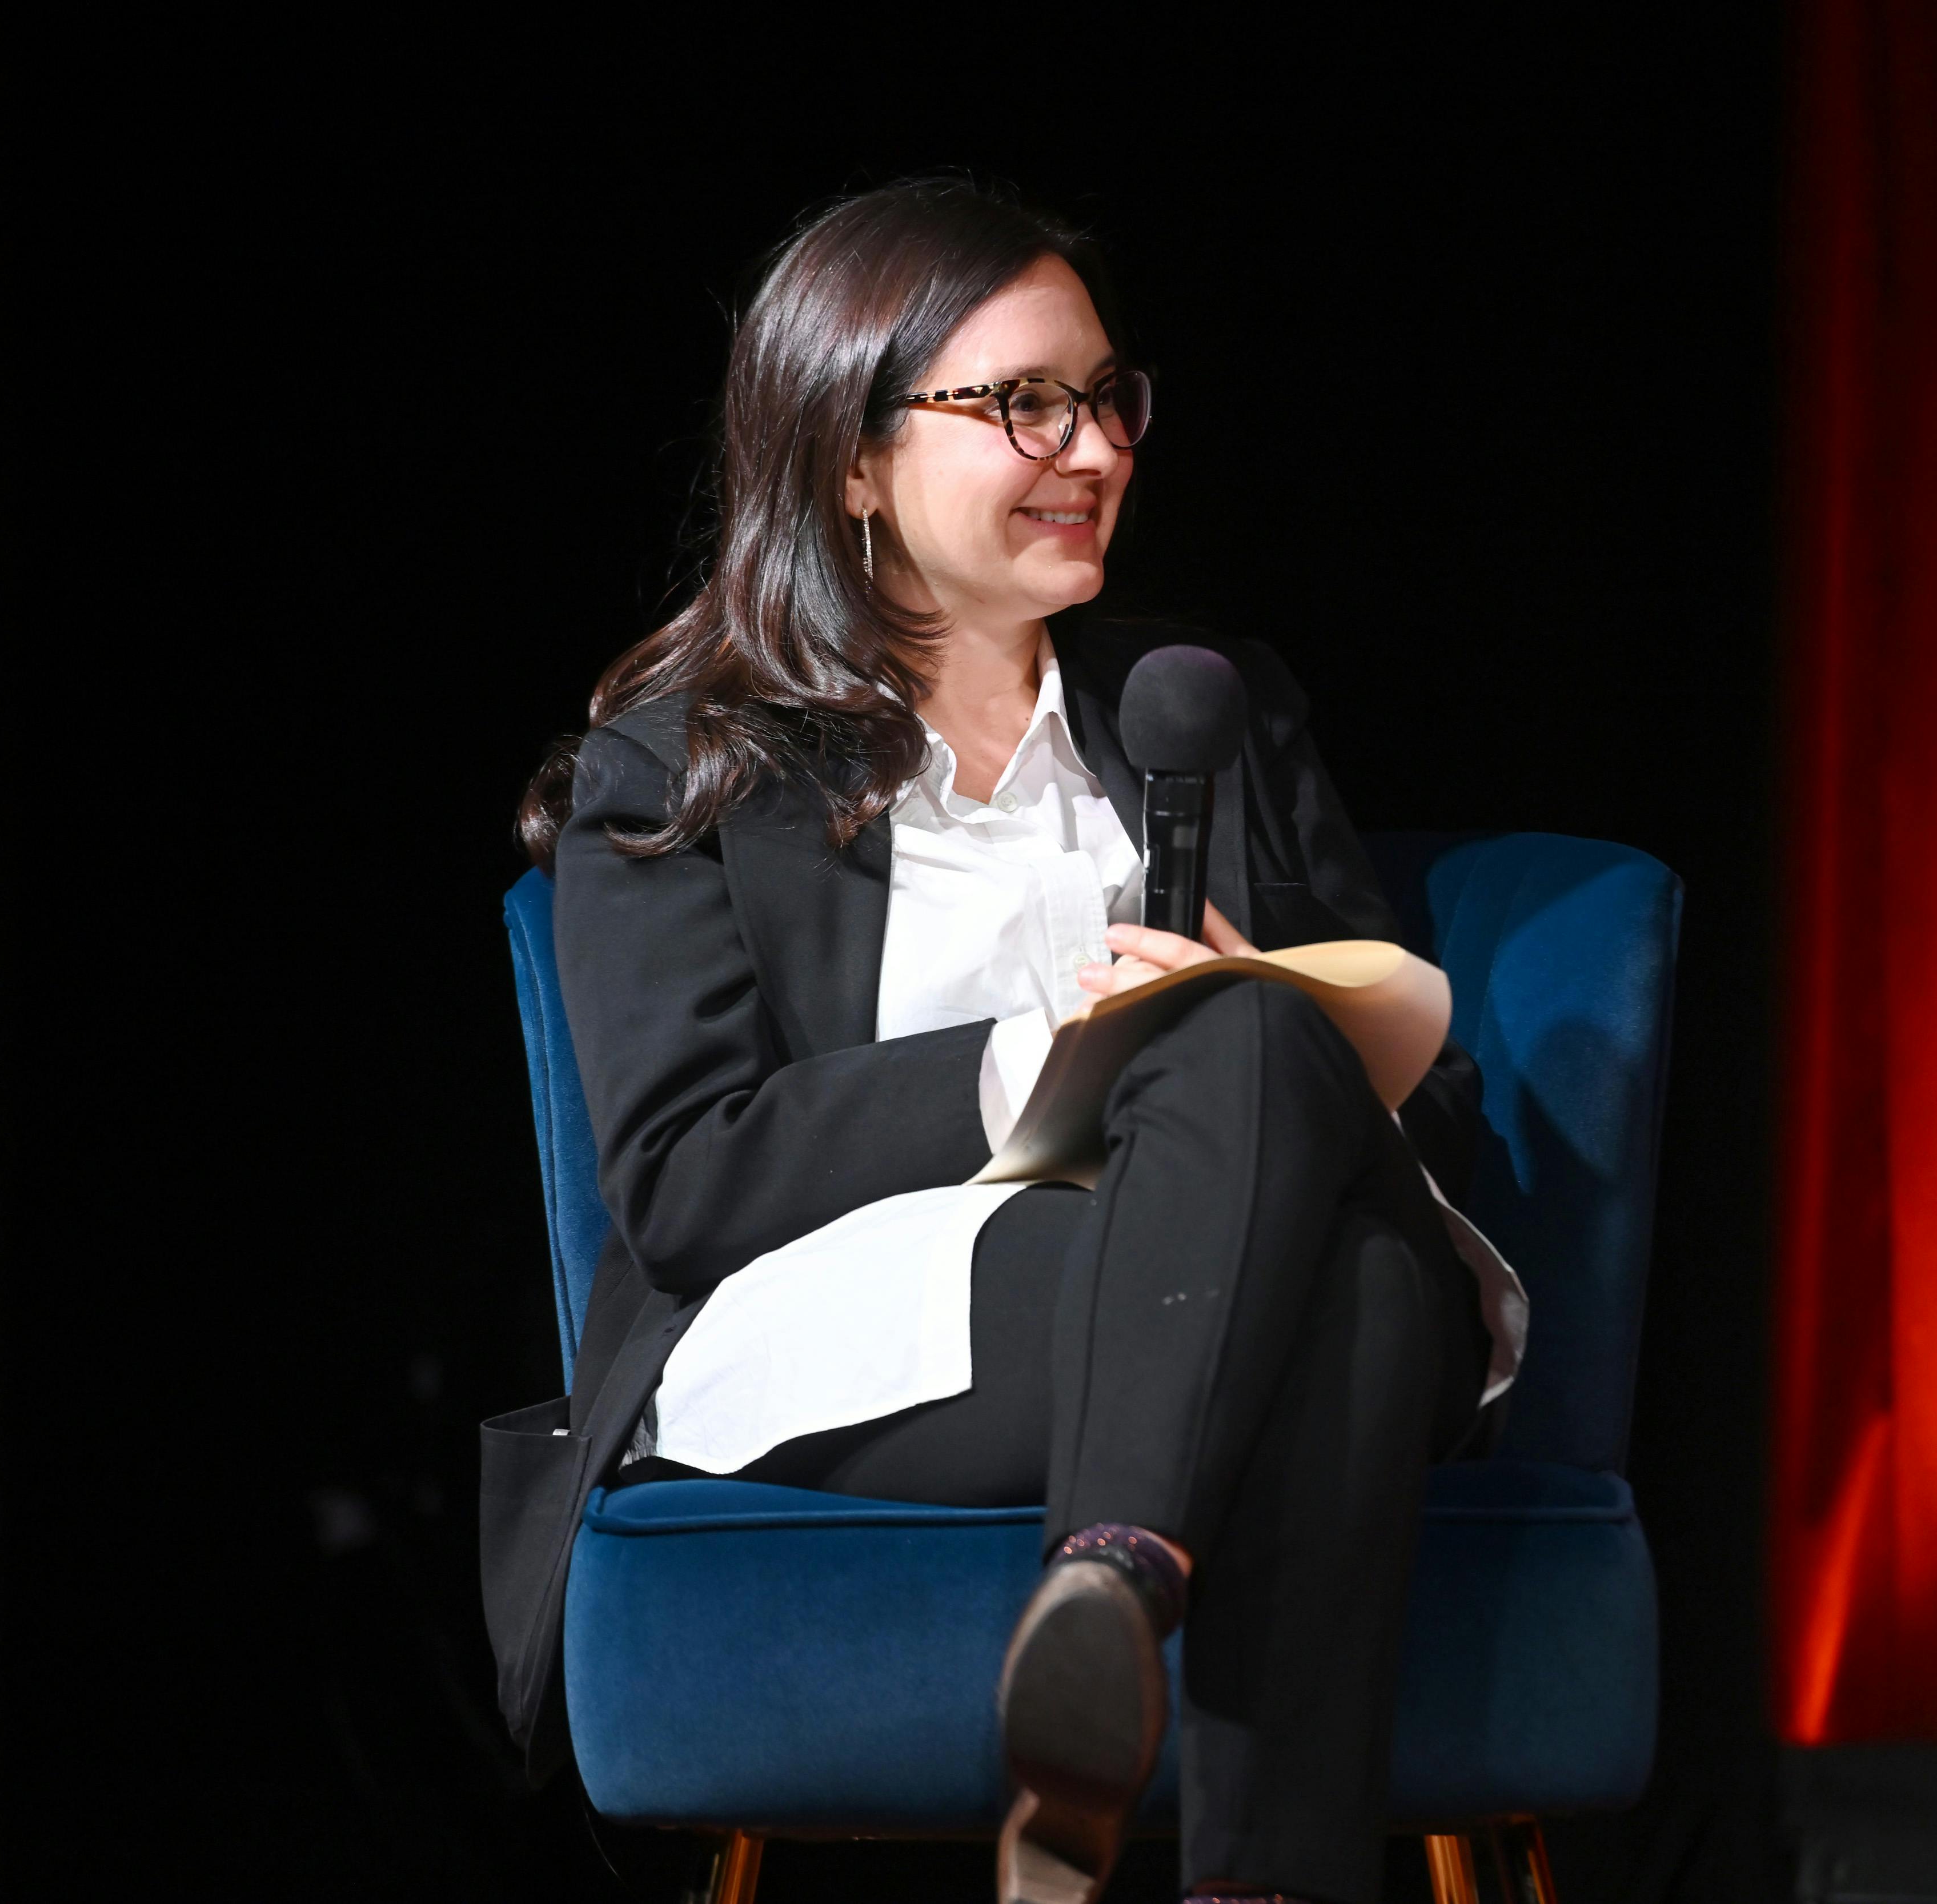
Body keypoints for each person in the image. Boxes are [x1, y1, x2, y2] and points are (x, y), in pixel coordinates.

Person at [492, 179, 1523, 1904]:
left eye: (1110, 397)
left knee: (1268, 1078)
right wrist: (1032, 1053)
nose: (1093, 447)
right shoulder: (684, 769)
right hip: (889, 1328)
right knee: (1334, 1271)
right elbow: (683, 1181)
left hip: (1231, 1259)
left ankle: (1108, 1598)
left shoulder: (1211, 707)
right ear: (851, 455)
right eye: (1020, 404)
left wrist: (1248, 1030)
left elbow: (1439, 1098)